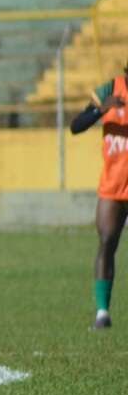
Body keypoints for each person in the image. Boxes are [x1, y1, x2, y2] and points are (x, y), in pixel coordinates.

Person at [71, 63, 128, 331]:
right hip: (113, 186)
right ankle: (102, 312)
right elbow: (76, 126)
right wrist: (100, 109)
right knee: (107, 242)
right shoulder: (111, 88)